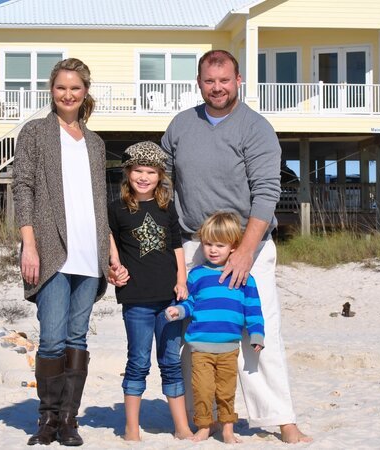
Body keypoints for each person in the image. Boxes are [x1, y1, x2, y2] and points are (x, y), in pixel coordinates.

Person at [161, 49, 311, 444]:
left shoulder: (255, 127)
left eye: (225, 80)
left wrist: (244, 252)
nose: (217, 88)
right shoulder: (179, 126)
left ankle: (282, 419)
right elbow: (164, 188)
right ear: (198, 83)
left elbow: (266, 192)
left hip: (249, 246)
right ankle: (202, 417)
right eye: (210, 81)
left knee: (260, 333)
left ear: (238, 80)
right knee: (196, 332)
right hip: (195, 245)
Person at [13, 57, 117, 447]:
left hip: (90, 255)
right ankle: (47, 420)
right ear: (51, 91)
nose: (68, 94)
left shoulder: (95, 142)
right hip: (52, 250)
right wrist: (29, 243)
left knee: (78, 339)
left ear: (85, 91)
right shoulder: (35, 133)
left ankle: (69, 420)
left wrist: (111, 252)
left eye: (75, 88)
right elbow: (22, 187)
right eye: (61, 88)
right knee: (53, 339)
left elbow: (98, 203)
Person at [106, 141, 193, 441]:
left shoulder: (167, 208)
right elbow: (108, 239)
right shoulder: (116, 209)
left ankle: (181, 427)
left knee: (170, 361)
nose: (144, 177)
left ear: (160, 175)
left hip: (169, 298)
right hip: (136, 300)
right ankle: (131, 428)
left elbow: (177, 246)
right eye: (138, 171)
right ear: (128, 173)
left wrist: (182, 281)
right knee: (139, 361)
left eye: (151, 172)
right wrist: (114, 266)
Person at [164, 211, 265, 444]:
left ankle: (227, 429)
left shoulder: (243, 277)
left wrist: (257, 334)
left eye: (220, 244)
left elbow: (253, 308)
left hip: (229, 347)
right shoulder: (197, 274)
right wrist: (178, 311)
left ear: (233, 246)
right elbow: (189, 302)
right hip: (200, 347)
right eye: (208, 243)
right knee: (202, 390)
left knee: (226, 391)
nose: (212, 249)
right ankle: (204, 425)